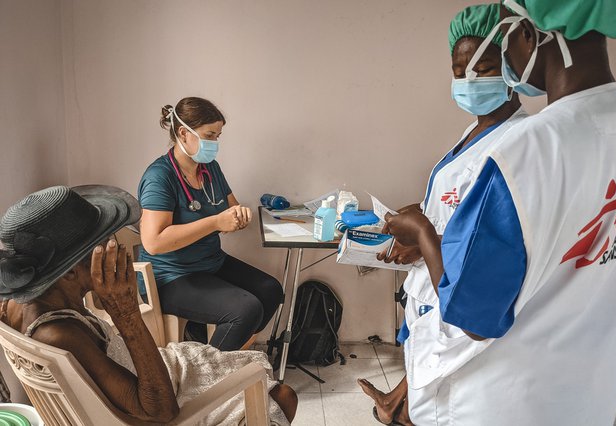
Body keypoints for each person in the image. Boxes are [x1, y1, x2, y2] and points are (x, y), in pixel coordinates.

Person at [383, 0, 616, 424]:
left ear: (528, 33)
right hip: (586, 398)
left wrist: (424, 233)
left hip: (499, 401)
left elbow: (473, 315)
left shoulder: (525, 153)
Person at [357, 4, 527, 425]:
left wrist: (420, 230)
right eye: (459, 70)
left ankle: (397, 410)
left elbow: (483, 247)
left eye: (484, 69)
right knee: (426, 393)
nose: (469, 81)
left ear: (513, 67)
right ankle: (396, 406)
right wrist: (416, 239)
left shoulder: (517, 144)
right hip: (435, 291)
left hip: (462, 306)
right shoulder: (475, 130)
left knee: (441, 406)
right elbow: (454, 215)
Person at [0, 185, 297, 425]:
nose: (111, 247)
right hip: (154, 399)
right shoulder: (61, 334)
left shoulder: (16, 303)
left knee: (235, 357)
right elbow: (161, 411)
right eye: (100, 244)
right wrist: (126, 312)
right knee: (282, 395)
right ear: (69, 271)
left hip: (146, 374)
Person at [138, 97, 283, 351]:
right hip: (171, 276)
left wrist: (238, 217)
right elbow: (154, 242)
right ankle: (205, 377)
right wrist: (216, 222)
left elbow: (230, 208)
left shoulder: (210, 168)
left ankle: (233, 358)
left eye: (218, 136)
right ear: (183, 133)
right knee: (245, 309)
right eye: (209, 135)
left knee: (270, 291)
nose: (214, 143)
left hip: (210, 262)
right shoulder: (159, 177)